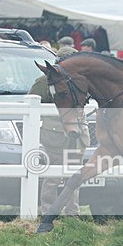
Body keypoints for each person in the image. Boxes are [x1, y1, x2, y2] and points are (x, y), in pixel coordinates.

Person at [28, 46, 90, 217]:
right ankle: (48, 213)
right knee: (53, 178)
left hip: (76, 136)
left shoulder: (80, 80)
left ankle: (72, 214)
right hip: (55, 136)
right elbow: (31, 106)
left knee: (74, 176)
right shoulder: (43, 82)